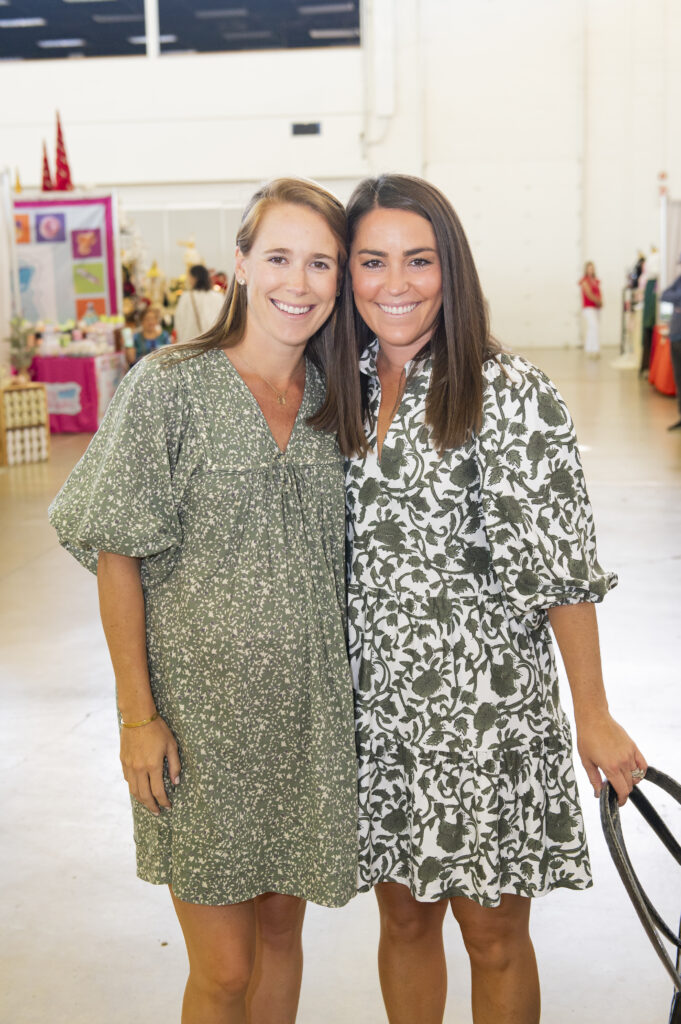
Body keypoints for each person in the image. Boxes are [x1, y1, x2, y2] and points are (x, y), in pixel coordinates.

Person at [313, 174, 646, 1024]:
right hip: (376, 715)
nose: (396, 283)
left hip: (484, 716)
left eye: (418, 260)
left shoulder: (508, 391)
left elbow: (563, 568)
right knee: (400, 920)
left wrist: (594, 713)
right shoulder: (334, 389)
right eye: (372, 261)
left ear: (450, 268)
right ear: (346, 275)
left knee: (493, 936)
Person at [48, 178, 358, 1024]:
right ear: (241, 266)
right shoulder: (169, 389)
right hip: (200, 725)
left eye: (320, 263)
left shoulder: (339, 403)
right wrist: (135, 717)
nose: (299, 282)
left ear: (339, 281)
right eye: (280, 257)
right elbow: (118, 554)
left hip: (306, 723)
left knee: (284, 938)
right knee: (223, 970)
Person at [174, 263, 225, 343]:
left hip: (190, 341)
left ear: (194, 278)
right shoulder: (218, 296)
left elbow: (179, 321)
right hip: (213, 342)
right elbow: (223, 319)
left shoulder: (186, 297)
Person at [661, 258, 681, 430]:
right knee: (679, 379)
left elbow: (672, 296)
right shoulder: (678, 281)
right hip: (675, 335)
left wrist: (676, 300)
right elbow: (664, 295)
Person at [579, 261, 602, 357]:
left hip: (596, 307)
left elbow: (599, 292)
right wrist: (597, 300)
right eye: (589, 268)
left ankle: (590, 348)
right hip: (588, 307)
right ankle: (594, 349)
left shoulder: (595, 280)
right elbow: (588, 293)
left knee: (592, 328)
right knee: (594, 326)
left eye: (592, 268)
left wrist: (600, 302)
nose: (591, 270)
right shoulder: (584, 280)